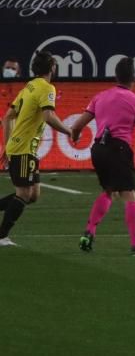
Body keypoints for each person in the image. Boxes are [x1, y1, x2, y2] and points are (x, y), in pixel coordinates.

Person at [71, 58, 135, 256]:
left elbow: (76, 126)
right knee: (129, 194)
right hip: (118, 149)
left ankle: (89, 232)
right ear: (134, 78)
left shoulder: (100, 96)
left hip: (98, 150)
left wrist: (75, 138)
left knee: (109, 191)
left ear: (115, 76)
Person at [0, 51, 73, 247]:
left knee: (33, 195)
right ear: (52, 68)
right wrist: (69, 131)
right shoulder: (47, 88)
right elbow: (49, 116)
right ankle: (1, 236)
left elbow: (7, 117)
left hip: (24, 148)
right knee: (23, 194)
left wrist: (7, 146)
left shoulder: (29, 86)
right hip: (23, 147)